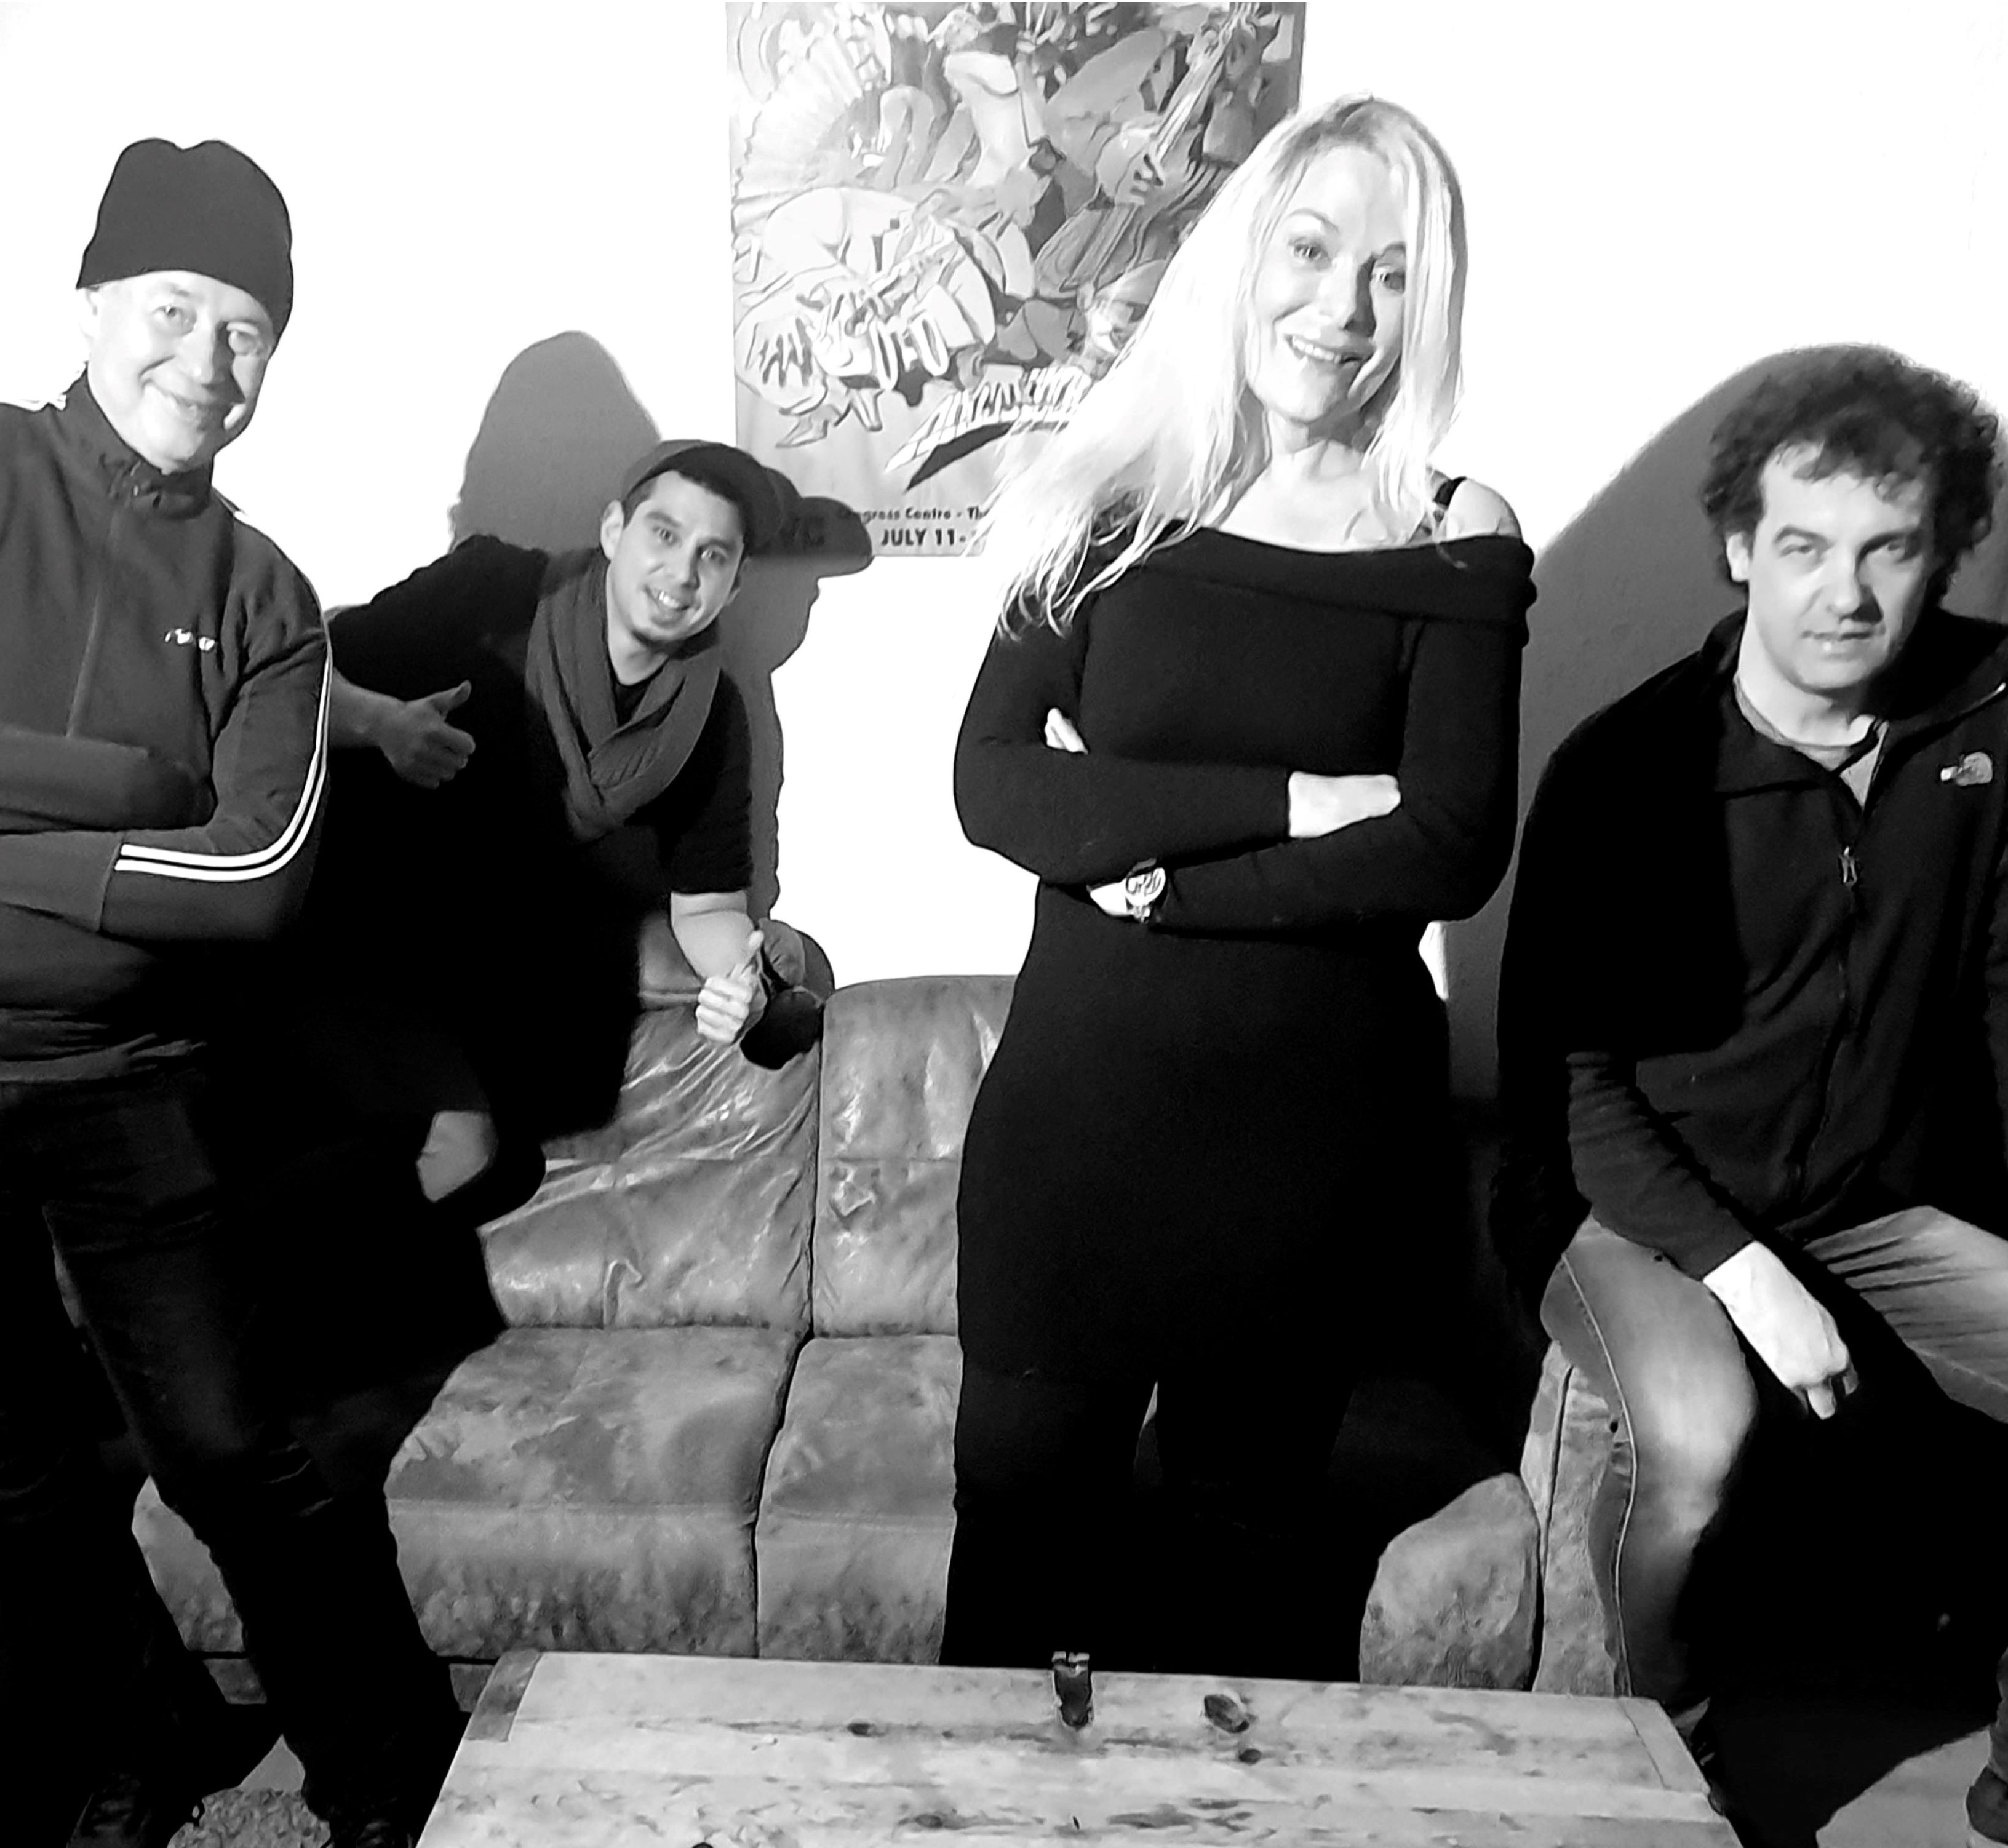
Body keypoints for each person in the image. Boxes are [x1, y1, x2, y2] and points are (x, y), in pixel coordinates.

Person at [944, 95, 1532, 1681]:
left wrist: (1148, 873)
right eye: (1315, 250)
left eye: (1394, 275)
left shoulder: (1452, 538)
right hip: (1076, 1148)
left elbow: (1449, 846)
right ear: (1246, 254)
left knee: (1243, 1581)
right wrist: (1290, 802)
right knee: (1017, 1564)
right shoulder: (1103, 508)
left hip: (1307, 1161)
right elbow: (995, 785)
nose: (1344, 309)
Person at [0, 140, 461, 1848]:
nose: (206, 359)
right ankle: (147, 1731)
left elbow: (255, 876)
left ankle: (390, 1773)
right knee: (10, 1466)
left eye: (247, 329)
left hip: (133, 1077)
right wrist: (138, 795)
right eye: (174, 308)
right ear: (92, 303)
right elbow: (188, 838)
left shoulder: (264, 596)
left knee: (229, 1452)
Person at [1493, 346, 2008, 1839]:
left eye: (1887, 548)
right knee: (1700, 1443)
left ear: (1941, 552)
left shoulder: (1989, 719)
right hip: (1624, 1206)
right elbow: (1569, 1089)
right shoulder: (1628, 770)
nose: (1845, 592)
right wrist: (1746, 1275)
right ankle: (1678, 1768)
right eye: (1802, 546)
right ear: (1738, 549)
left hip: (1866, 1201)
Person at [303, 437, 807, 1224]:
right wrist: (383, 724)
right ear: (614, 530)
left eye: (713, 556)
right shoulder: (491, 592)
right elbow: (292, 678)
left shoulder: (710, 717)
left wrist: (736, 986)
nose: (682, 574)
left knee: (493, 1164)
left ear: (735, 584)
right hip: (363, 941)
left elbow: (708, 906)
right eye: (664, 534)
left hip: (501, 979)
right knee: (461, 1153)